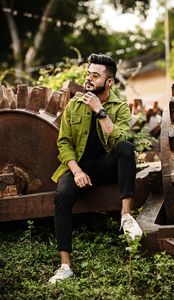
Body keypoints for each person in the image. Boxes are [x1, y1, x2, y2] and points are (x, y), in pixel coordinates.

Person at [49, 53, 142, 284]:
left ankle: (126, 216)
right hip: (78, 167)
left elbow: (119, 139)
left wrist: (100, 111)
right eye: (87, 73)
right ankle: (65, 266)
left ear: (109, 82)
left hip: (105, 166)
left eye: (95, 75)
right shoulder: (74, 105)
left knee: (126, 149)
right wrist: (77, 171)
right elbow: (64, 142)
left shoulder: (119, 108)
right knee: (61, 196)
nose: (88, 78)